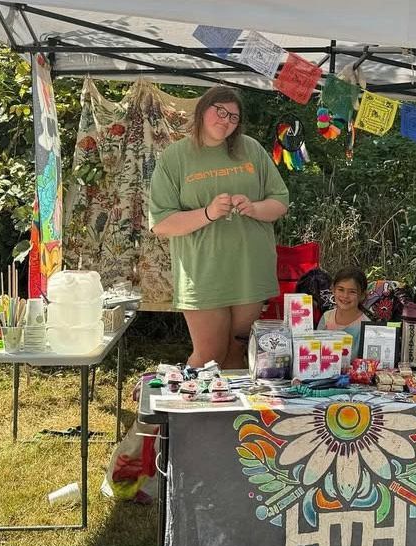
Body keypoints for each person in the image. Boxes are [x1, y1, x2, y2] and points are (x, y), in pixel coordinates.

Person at [149, 86, 289, 369]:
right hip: (203, 274)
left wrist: (254, 208)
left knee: (239, 353)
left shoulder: (251, 149)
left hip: (249, 270)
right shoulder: (175, 157)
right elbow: (162, 223)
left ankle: (228, 414)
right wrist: (208, 213)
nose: (226, 120)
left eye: (234, 117)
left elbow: (280, 201)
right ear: (202, 110)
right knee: (209, 355)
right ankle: (180, 409)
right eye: (220, 111)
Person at [317, 268, 367, 350]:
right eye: (341, 289)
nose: (345, 296)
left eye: (352, 292)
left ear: (362, 295)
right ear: (333, 290)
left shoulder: (366, 326)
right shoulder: (326, 318)